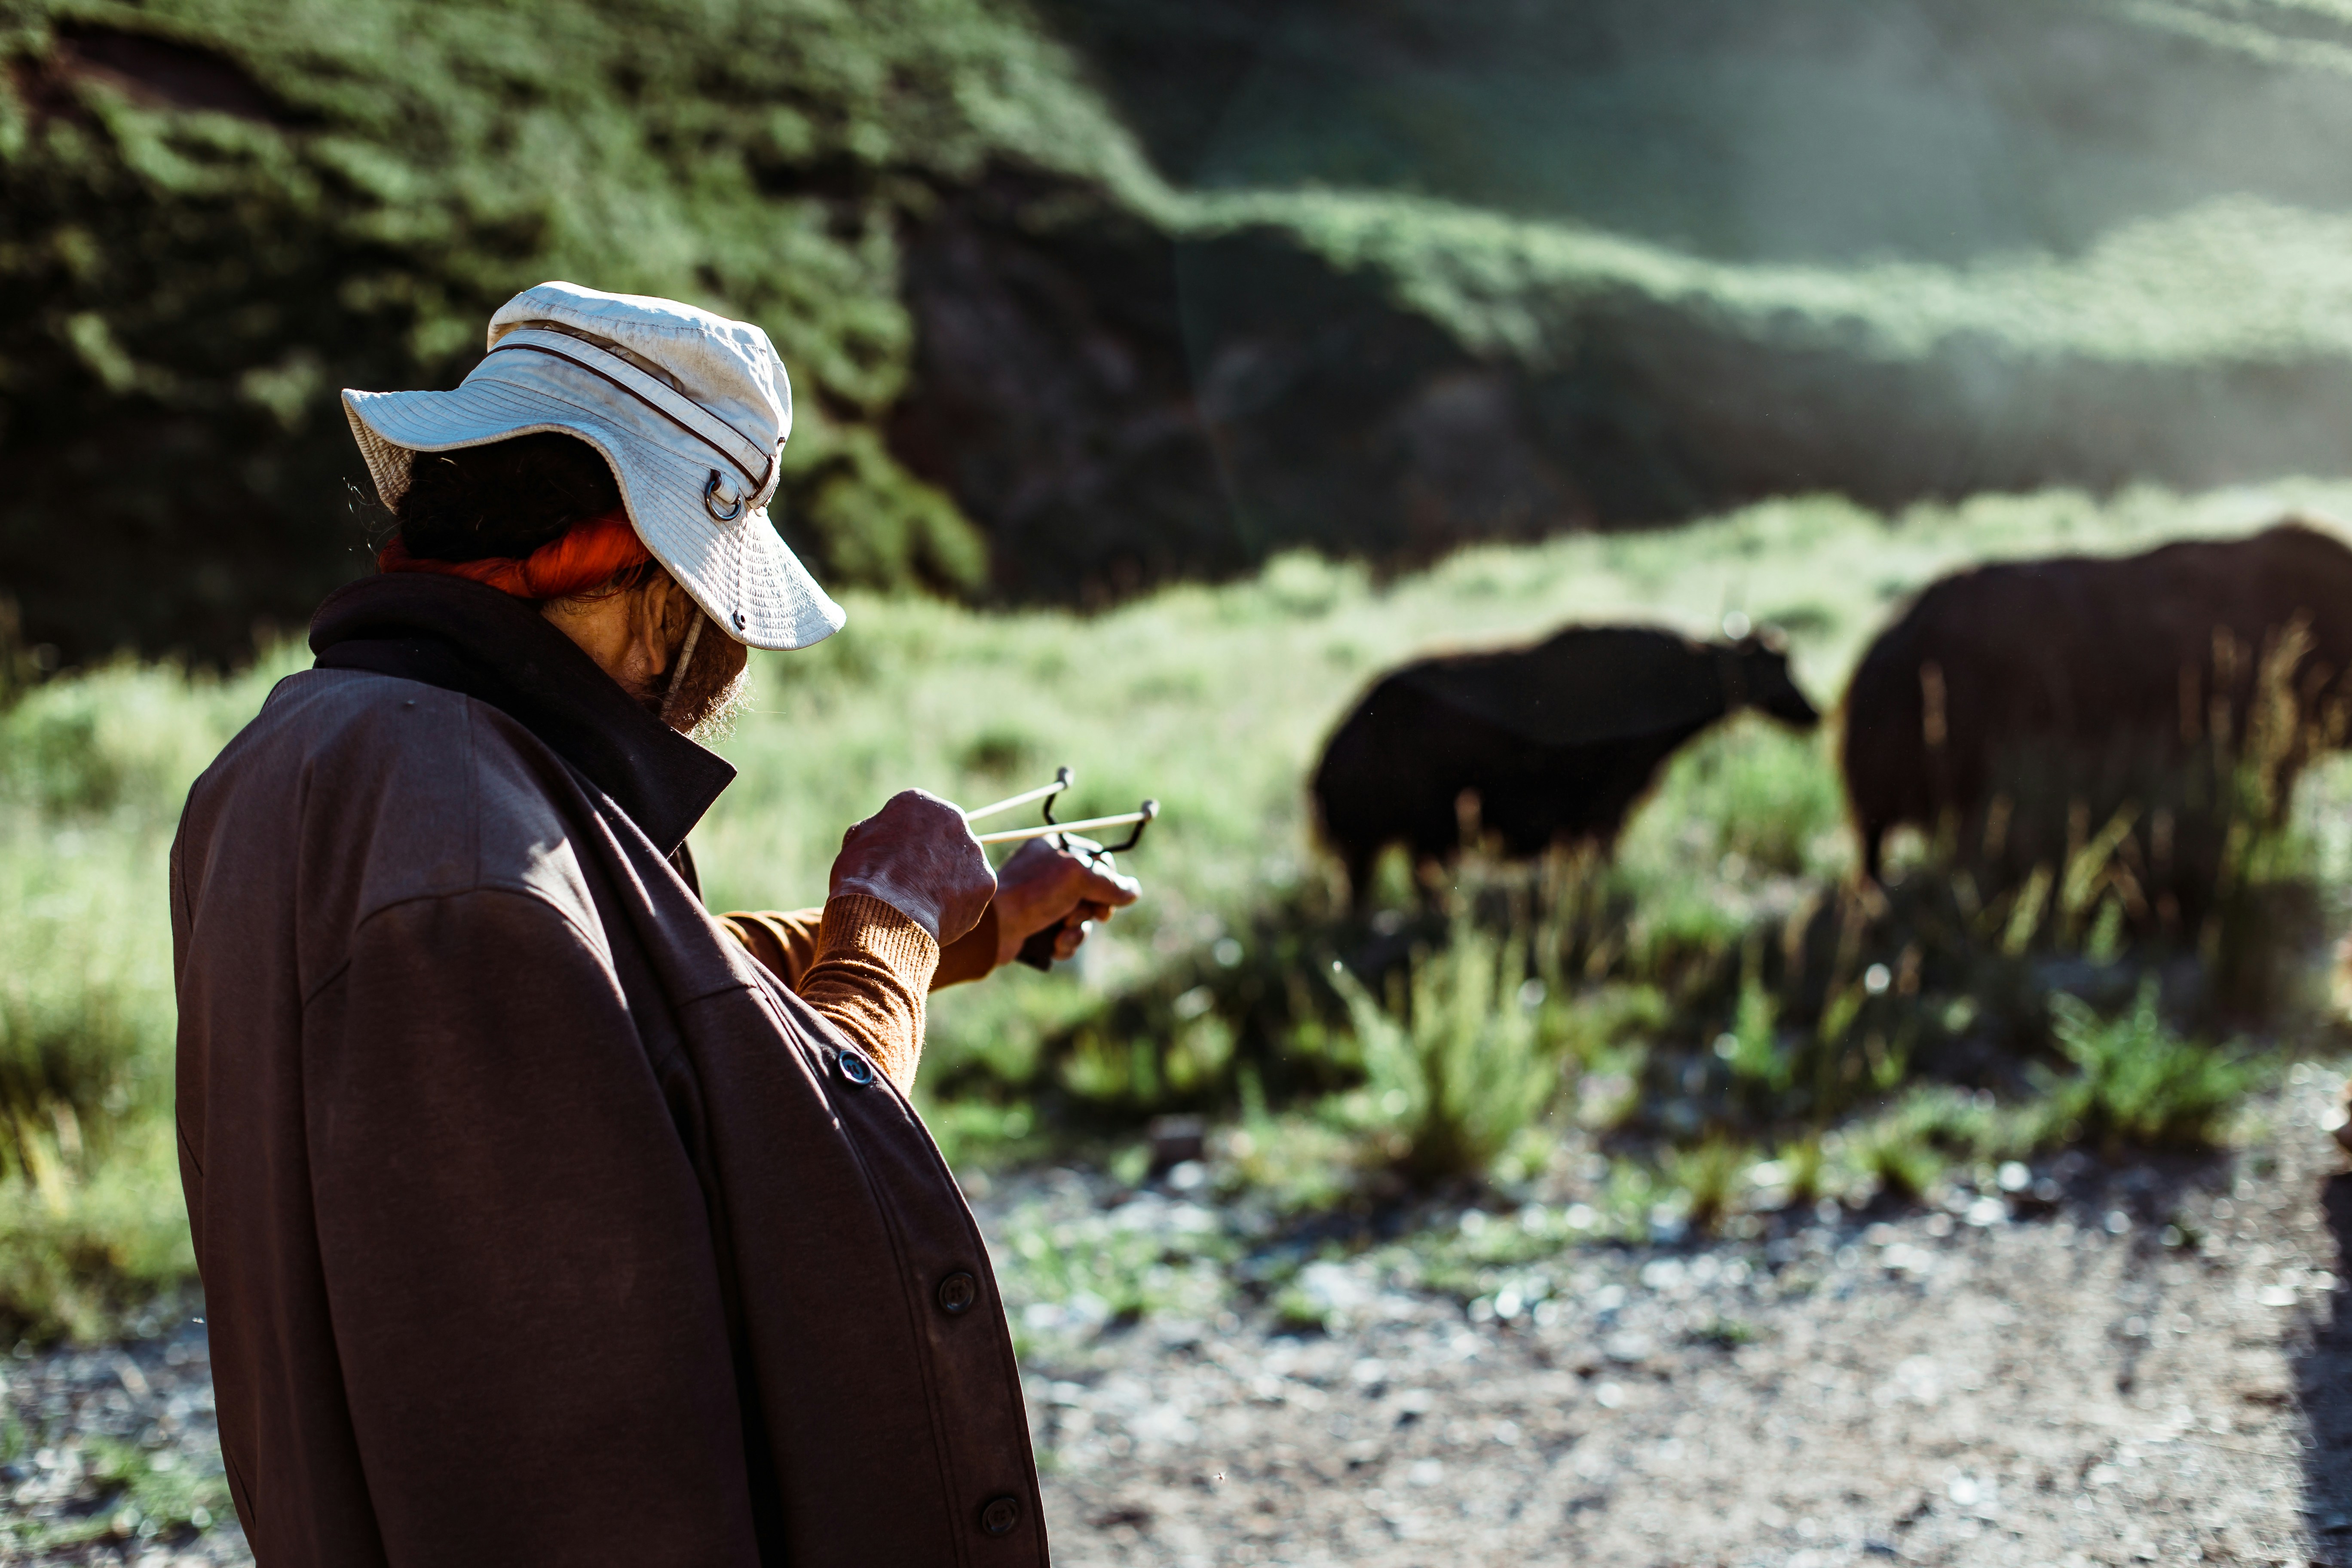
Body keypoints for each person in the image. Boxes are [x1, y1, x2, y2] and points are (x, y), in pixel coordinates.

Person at [171, 281, 1139, 1566]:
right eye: (725, 608)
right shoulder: (469, 862)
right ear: (654, 585)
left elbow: (627, 1020)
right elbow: (795, 1202)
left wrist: (978, 927)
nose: (728, 658)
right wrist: (892, 929)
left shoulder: (312, 756)